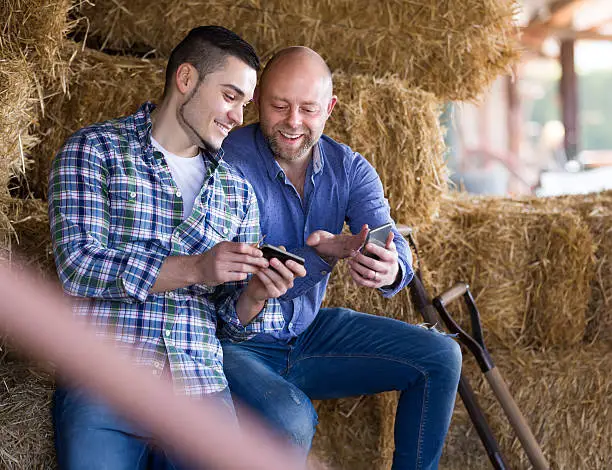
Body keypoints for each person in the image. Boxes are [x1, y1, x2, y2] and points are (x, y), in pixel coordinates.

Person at [48, 26, 304, 470]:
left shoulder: (237, 193)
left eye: (244, 103)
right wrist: (197, 268)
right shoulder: (94, 150)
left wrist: (254, 297)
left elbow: (228, 325)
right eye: (230, 97)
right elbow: (78, 267)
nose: (238, 116)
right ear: (186, 79)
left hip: (200, 391)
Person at [219, 47, 462, 470]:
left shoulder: (349, 168)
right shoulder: (224, 159)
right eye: (280, 106)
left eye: (309, 109)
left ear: (330, 108)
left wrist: (391, 268)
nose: (294, 122)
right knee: (291, 417)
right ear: (256, 100)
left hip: (307, 335)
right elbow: (240, 271)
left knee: (441, 356)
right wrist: (321, 253)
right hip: (235, 341)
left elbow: (389, 239)